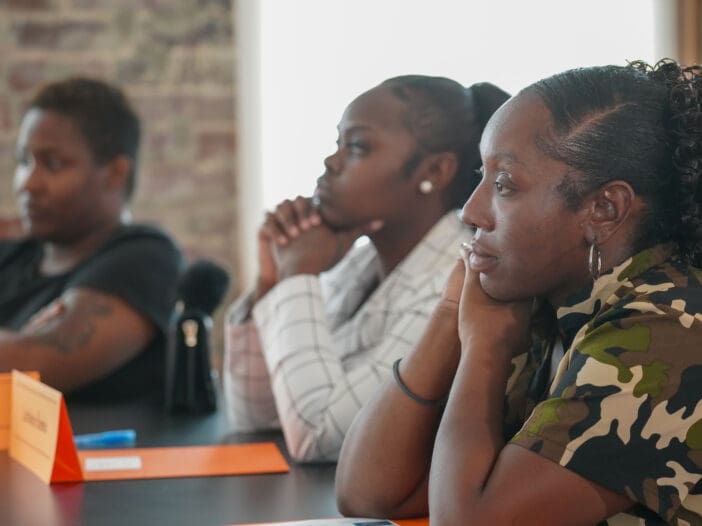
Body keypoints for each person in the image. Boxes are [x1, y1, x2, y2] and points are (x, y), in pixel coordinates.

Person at [336, 58, 702, 525]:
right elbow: (369, 494)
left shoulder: (668, 329)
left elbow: (469, 521)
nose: (471, 211)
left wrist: (484, 349)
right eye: (480, 178)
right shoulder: (550, 304)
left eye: (504, 185)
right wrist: (452, 314)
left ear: (604, 209)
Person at [223, 75, 510, 462]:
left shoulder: (455, 279)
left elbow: (320, 437)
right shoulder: (359, 265)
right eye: (337, 143)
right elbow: (257, 415)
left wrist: (298, 277)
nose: (330, 162)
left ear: (434, 172)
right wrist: (271, 280)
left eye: (356, 146)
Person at [0, 77, 183, 402]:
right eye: (24, 162)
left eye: (53, 164)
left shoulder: (144, 257)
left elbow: (35, 366)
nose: (28, 184)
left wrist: (25, 349)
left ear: (115, 173)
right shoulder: (10, 257)